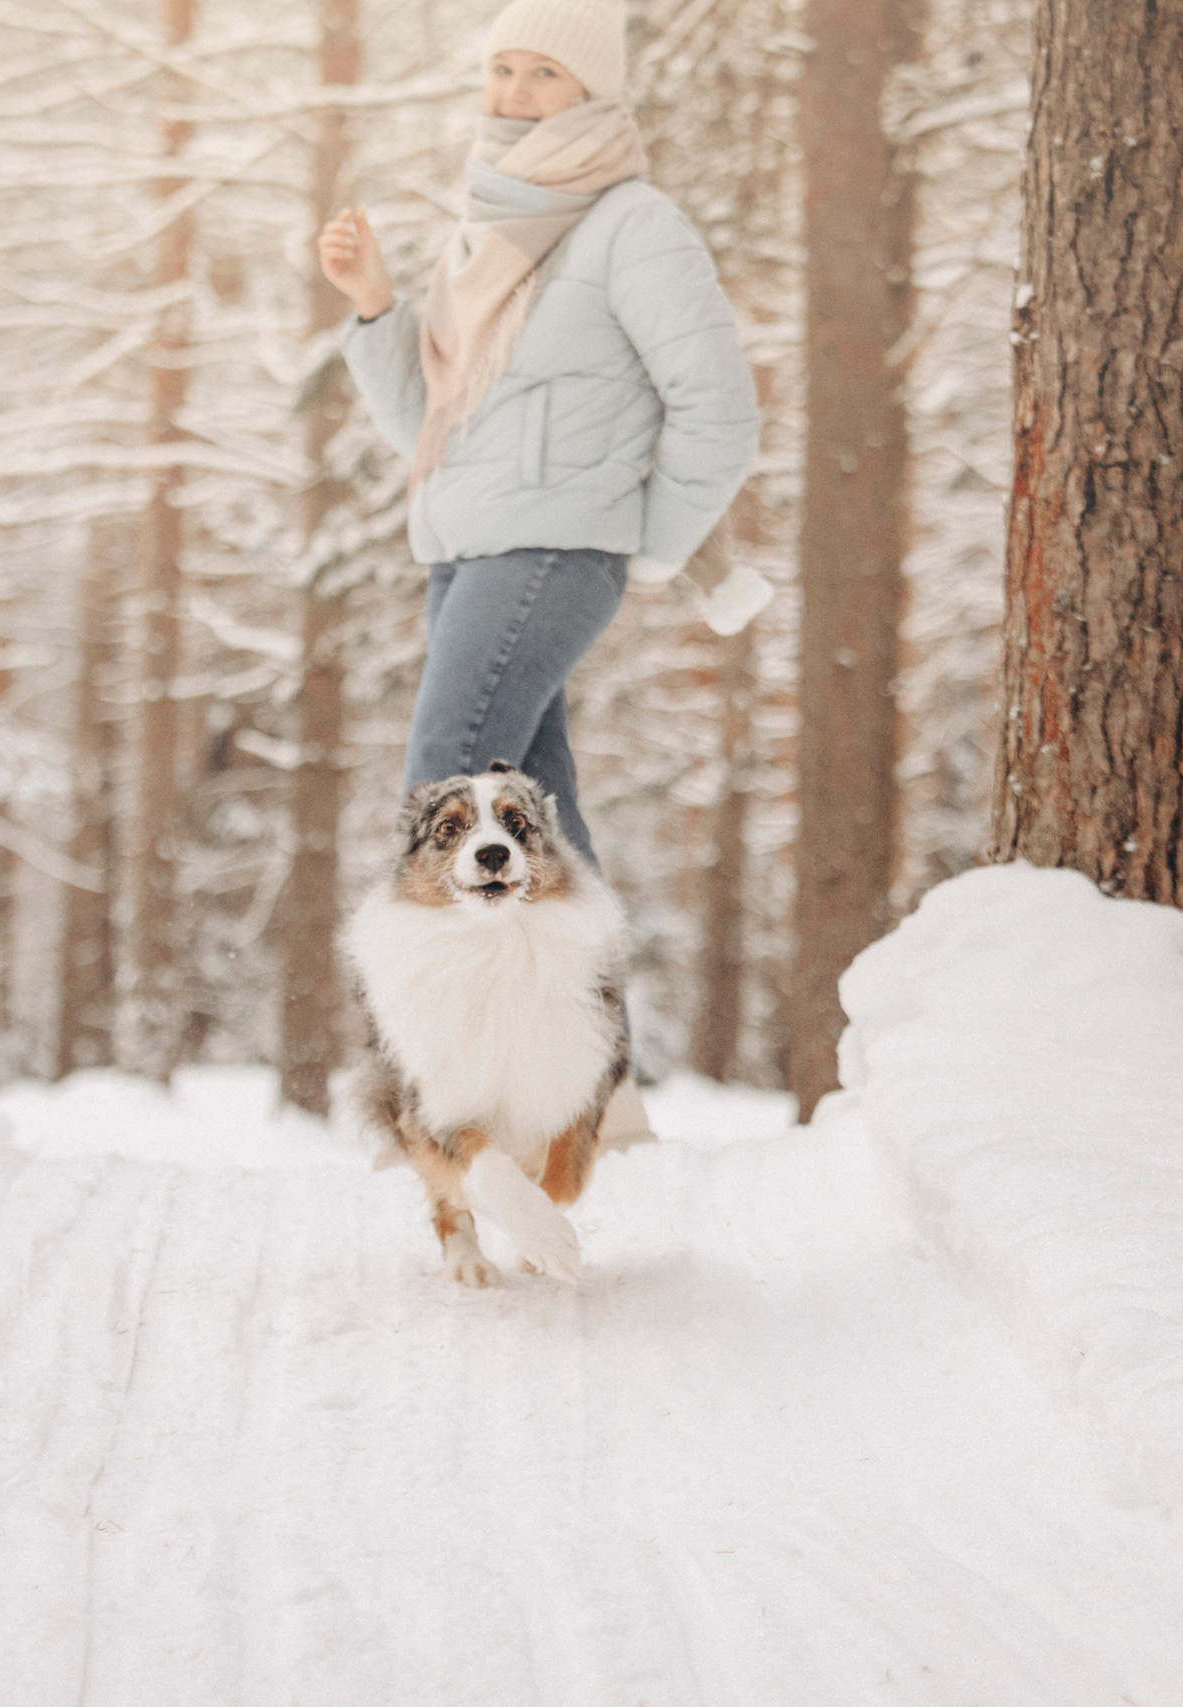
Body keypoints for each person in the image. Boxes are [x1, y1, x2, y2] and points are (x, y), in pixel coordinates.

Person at [317, 0, 762, 1140]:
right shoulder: (485, 230)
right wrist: (375, 306)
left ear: (595, 93)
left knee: (445, 795)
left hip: (554, 550)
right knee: (539, 815)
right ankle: (601, 1091)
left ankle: (434, 1091)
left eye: (543, 75)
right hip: (465, 554)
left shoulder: (632, 225)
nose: (513, 93)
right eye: (502, 70)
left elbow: (717, 408)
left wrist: (648, 542)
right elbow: (433, 423)